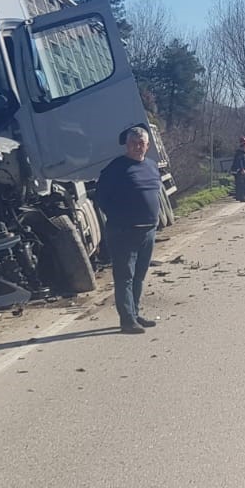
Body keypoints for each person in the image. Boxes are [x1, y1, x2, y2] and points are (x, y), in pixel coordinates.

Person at [96, 126, 162, 334]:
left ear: (147, 145)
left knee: (139, 276)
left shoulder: (151, 166)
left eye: (141, 143)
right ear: (126, 145)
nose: (137, 147)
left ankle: (135, 313)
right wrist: (120, 217)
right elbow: (101, 198)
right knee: (125, 276)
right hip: (123, 231)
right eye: (133, 143)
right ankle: (127, 320)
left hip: (148, 231)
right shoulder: (116, 168)